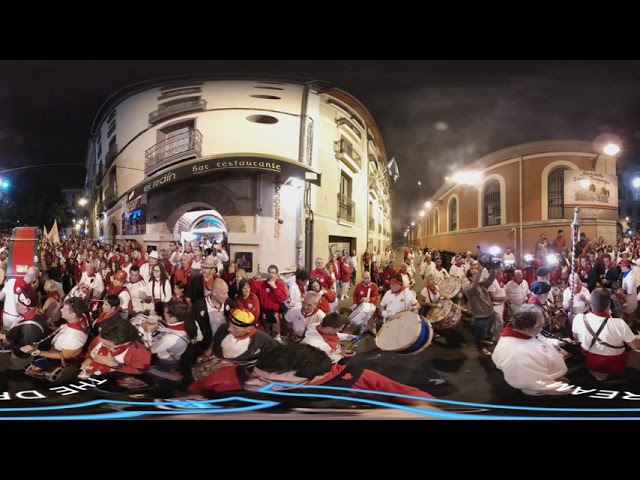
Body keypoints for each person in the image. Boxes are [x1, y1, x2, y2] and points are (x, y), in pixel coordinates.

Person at [188, 342, 438, 408]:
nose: (253, 382)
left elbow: (417, 398)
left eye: (267, 382)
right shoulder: (228, 376)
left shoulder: (360, 378)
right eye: (256, 374)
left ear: (310, 380)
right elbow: (194, 395)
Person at [492, 304, 573, 396]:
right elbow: (535, 383)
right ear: (526, 327)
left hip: (549, 375)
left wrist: (556, 342)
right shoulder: (517, 356)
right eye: (539, 326)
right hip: (542, 390)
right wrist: (565, 389)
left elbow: (538, 341)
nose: (541, 329)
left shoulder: (525, 332)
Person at [572, 287, 640, 381]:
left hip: (591, 363)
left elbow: (575, 338)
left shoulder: (579, 319)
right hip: (615, 364)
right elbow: (635, 345)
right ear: (608, 305)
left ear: (590, 303)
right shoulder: (619, 323)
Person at [80, 317, 151, 377]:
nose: (102, 344)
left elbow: (141, 372)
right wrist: (88, 358)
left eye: (108, 345)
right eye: (101, 340)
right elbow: (90, 350)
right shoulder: (104, 337)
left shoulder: (141, 353)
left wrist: (116, 365)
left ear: (125, 343)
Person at [2, 289, 49, 371]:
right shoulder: (35, 316)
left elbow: (25, 352)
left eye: (18, 304)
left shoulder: (30, 328)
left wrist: (9, 344)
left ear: (26, 309)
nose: (16, 305)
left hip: (19, 360)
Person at [463, 262, 497, 356]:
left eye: (476, 273)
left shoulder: (482, 285)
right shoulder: (469, 289)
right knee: (480, 333)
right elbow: (474, 285)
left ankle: (486, 340)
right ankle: (480, 348)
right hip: (481, 317)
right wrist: (480, 270)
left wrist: (494, 269)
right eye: (474, 274)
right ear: (469, 278)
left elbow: (491, 278)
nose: (477, 274)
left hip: (490, 313)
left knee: (488, 331)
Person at [0, 266, 41, 330]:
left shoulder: (11, 281)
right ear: (34, 279)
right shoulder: (29, 292)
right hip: (18, 320)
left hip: (6, 317)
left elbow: (0, 297)